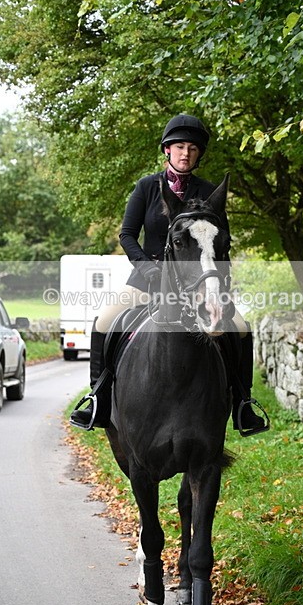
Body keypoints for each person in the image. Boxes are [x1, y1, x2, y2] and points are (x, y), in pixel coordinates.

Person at [70, 114, 268, 434]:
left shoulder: (209, 192)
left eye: (192, 148)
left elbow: (221, 243)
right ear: (167, 150)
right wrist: (147, 269)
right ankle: (99, 397)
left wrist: (220, 283)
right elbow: (127, 235)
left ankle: (242, 404)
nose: (185, 153)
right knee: (105, 320)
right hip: (149, 279)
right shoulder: (147, 186)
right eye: (179, 146)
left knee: (241, 328)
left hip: (197, 282)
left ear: (199, 154)